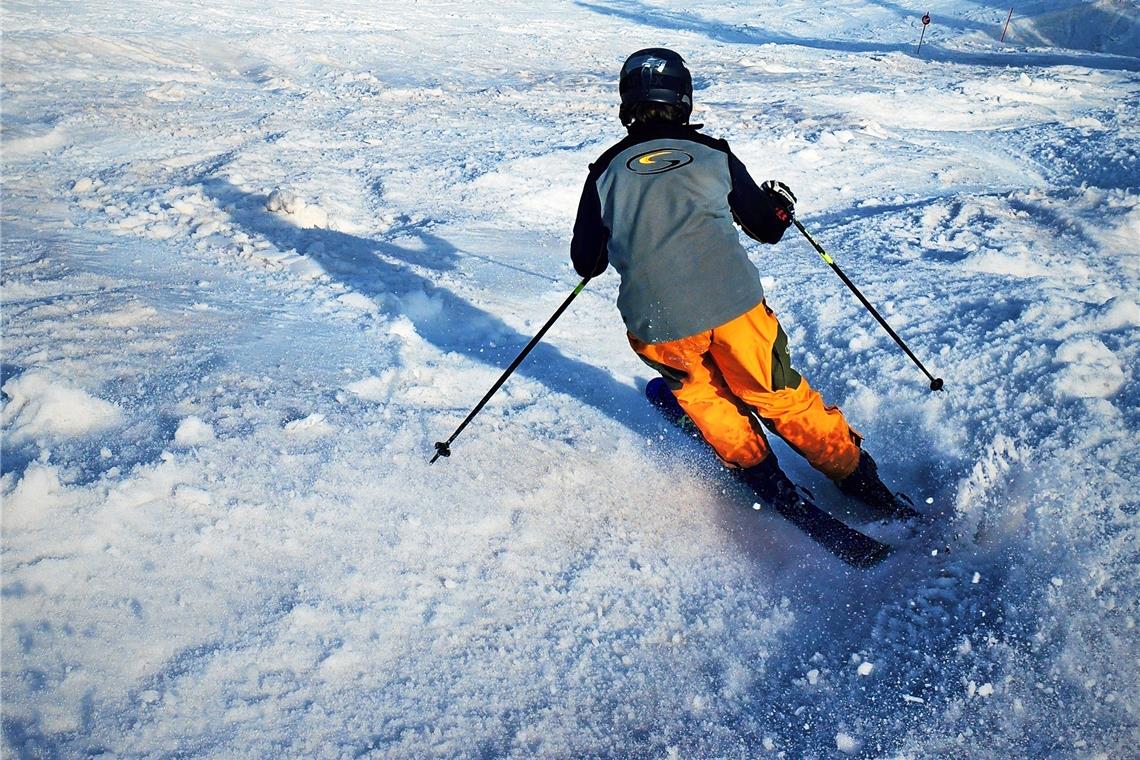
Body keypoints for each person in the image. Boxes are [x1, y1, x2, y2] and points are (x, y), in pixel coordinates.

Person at [570, 48, 910, 516]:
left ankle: (760, 473)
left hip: (657, 323)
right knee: (778, 396)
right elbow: (766, 227)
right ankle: (856, 476)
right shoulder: (714, 154)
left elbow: (586, 264)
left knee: (706, 397)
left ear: (627, 103)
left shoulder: (603, 172)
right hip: (735, 308)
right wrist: (778, 206)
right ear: (684, 98)